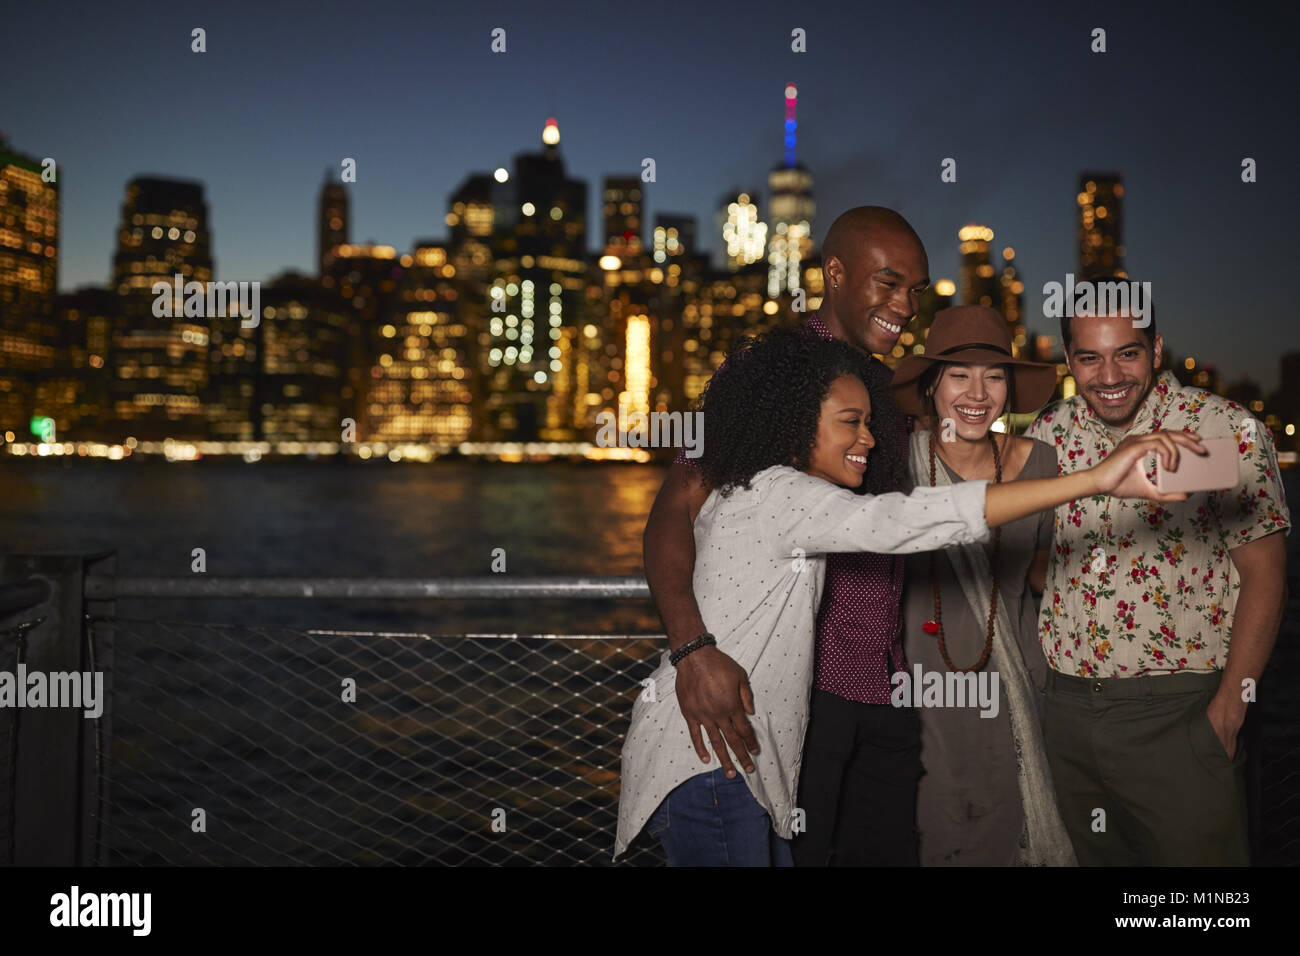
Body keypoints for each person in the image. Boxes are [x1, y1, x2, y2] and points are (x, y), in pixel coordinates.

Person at [614, 326, 1205, 865]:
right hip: (711, 758)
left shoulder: (763, 486)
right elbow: (906, 519)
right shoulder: (783, 493)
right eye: (851, 422)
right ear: (798, 423)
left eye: (870, 421)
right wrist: (1097, 480)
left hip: (726, 756)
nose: (870, 439)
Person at [641, 206, 929, 866]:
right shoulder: (767, 373)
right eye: (888, 283)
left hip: (887, 691)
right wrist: (690, 647)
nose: (905, 305)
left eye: (915, 290)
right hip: (797, 694)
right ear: (834, 273)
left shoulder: (898, 388)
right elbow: (675, 505)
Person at [1025, 279, 1291, 865]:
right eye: (1089, 357)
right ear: (1068, 359)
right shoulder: (1048, 435)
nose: (1109, 375)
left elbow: (1265, 574)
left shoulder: (1221, 429)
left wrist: (1228, 711)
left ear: (1157, 348)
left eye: (1128, 352)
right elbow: (1032, 556)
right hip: (1067, 714)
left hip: (1180, 713)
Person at [890, 305, 1073, 865]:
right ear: (931, 386)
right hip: (919, 694)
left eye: (994, 375)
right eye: (958, 375)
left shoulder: (1041, 460)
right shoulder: (895, 466)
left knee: (1011, 830)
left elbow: (1046, 572)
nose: (978, 392)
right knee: (933, 832)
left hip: (1016, 684)